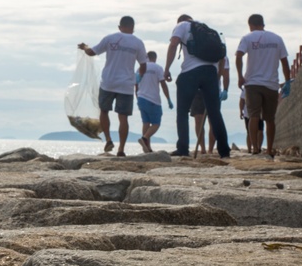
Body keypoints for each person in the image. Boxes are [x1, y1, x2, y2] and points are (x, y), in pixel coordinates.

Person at [78, 16, 148, 156]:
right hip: (126, 84)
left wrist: (84, 46)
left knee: (104, 111)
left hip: (108, 82)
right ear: (133, 28)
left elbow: (92, 52)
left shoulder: (110, 38)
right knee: (123, 117)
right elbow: (143, 65)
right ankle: (121, 149)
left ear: (119, 26)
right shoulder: (138, 43)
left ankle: (109, 139)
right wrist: (138, 78)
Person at [164, 14, 230, 158]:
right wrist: (217, 77)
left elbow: (174, 44)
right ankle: (224, 151)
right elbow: (222, 58)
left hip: (190, 72)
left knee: (182, 112)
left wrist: (167, 68)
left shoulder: (181, 26)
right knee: (214, 113)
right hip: (210, 73)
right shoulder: (208, 30)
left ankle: (183, 148)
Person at [235, 14, 291, 157]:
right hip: (271, 84)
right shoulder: (277, 39)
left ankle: (255, 148)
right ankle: (269, 149)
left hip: (252, 83)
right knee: (270, 119)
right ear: (263, 24)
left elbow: (239, 56)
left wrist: (240, 76)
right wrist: (288, 81)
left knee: (254, 115)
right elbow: (284, 62)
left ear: (250, 25)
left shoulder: (247, 38)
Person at [135, 50, 173, 153]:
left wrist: (137, 98)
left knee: (146, 122)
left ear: (147, 57)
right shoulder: (158, 68)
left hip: (141, 98)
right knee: (156, 123)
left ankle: (147, 148)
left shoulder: (140, 68)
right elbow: (163, 84)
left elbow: (136, 84)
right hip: (153, 99)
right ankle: (144, 138)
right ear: (155, 58)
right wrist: (168, 99)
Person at [206, 55, 231, 154]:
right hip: (201, 88)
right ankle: (205, 149)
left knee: (212, 121)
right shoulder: (201, 48)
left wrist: (225, 89)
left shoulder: (223, 55)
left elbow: (225, 73)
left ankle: (210, 149)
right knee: (203, 120)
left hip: (214, 90)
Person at [238, 84, 264, 154]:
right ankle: (250, 149)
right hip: (248, 113)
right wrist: (241, 111)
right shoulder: (246, 88)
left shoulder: (262, 86)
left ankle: (258, 148)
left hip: (260, 112)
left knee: (260, 130)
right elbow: (242, 100)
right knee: (249, 132)